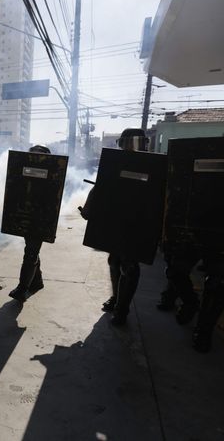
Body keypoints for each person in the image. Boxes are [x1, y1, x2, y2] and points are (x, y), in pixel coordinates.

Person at [82, 129, 148, 325]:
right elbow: (101, 185)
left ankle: (122, 310)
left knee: (130, 265)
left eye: (134, 142)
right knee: (114, 261)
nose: (130, 146)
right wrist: (89, 207)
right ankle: (116, 298)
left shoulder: (152, 165)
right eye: (127, 142)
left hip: (137, 221)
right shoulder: (114, 163)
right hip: (116, 220)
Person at [8, 145, 50, 302]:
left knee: (31, 252)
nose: (34, 158)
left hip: (40, 220)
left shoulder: (52, 175)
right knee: (32, 250)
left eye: (38, 156)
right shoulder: (23, 172)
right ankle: (36, 282)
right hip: (26, 217)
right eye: (32, 155)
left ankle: (22, 289)